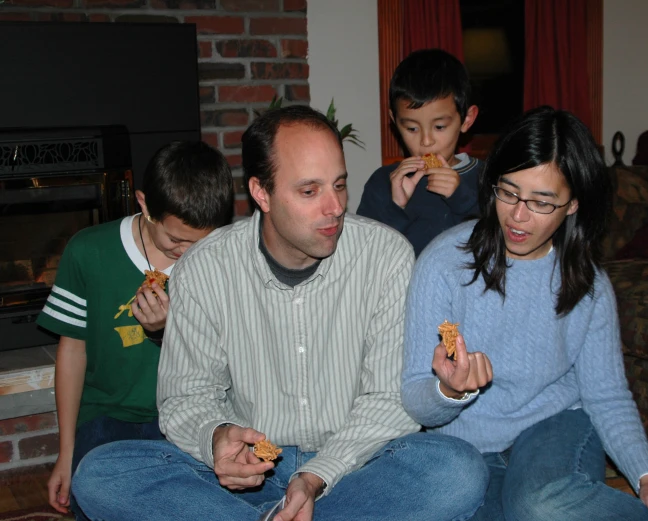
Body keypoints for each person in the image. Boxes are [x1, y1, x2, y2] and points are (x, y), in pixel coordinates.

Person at [71, 105, 487, 521]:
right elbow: (185, 398)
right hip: (254, 474)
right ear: (261, 193)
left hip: (350, 466)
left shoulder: (385, 256)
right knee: (99, 473)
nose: (335, 207)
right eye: (310, 191)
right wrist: (218, 439)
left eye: (339, 185)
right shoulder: (205, 266)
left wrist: (314, 476)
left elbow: (385, 401)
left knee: (458, 470)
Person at [401, 106, 648, 521]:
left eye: (542, 202)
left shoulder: (589, 285)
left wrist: (647, 477)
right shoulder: (443, 264)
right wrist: (450, 392)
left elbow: (607, 395)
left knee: (539, 505)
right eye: (508, 192)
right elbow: (417, 401)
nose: (518, 216)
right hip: (467, 449)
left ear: (573, 204)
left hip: (555, 428)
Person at [36, 140, 234, 520]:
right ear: (144, 204)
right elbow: (72, 351)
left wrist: (169, 329)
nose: (187, 251)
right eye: (176, 240)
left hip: (192, 415)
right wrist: (65, 452)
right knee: (94, 492)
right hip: (106, 415)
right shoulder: (88, 251)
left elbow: (230, 362)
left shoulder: (223, 262)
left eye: (201, 241)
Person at [357, 48, 481, 257]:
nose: (426, 141)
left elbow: (496, 248)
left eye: (439, 127)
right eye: (412, 128)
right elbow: (364, 257)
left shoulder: (488, 179)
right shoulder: (383, 183)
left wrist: (461, 199)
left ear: (466, 120)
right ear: (395, 121)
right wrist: (395, 207)